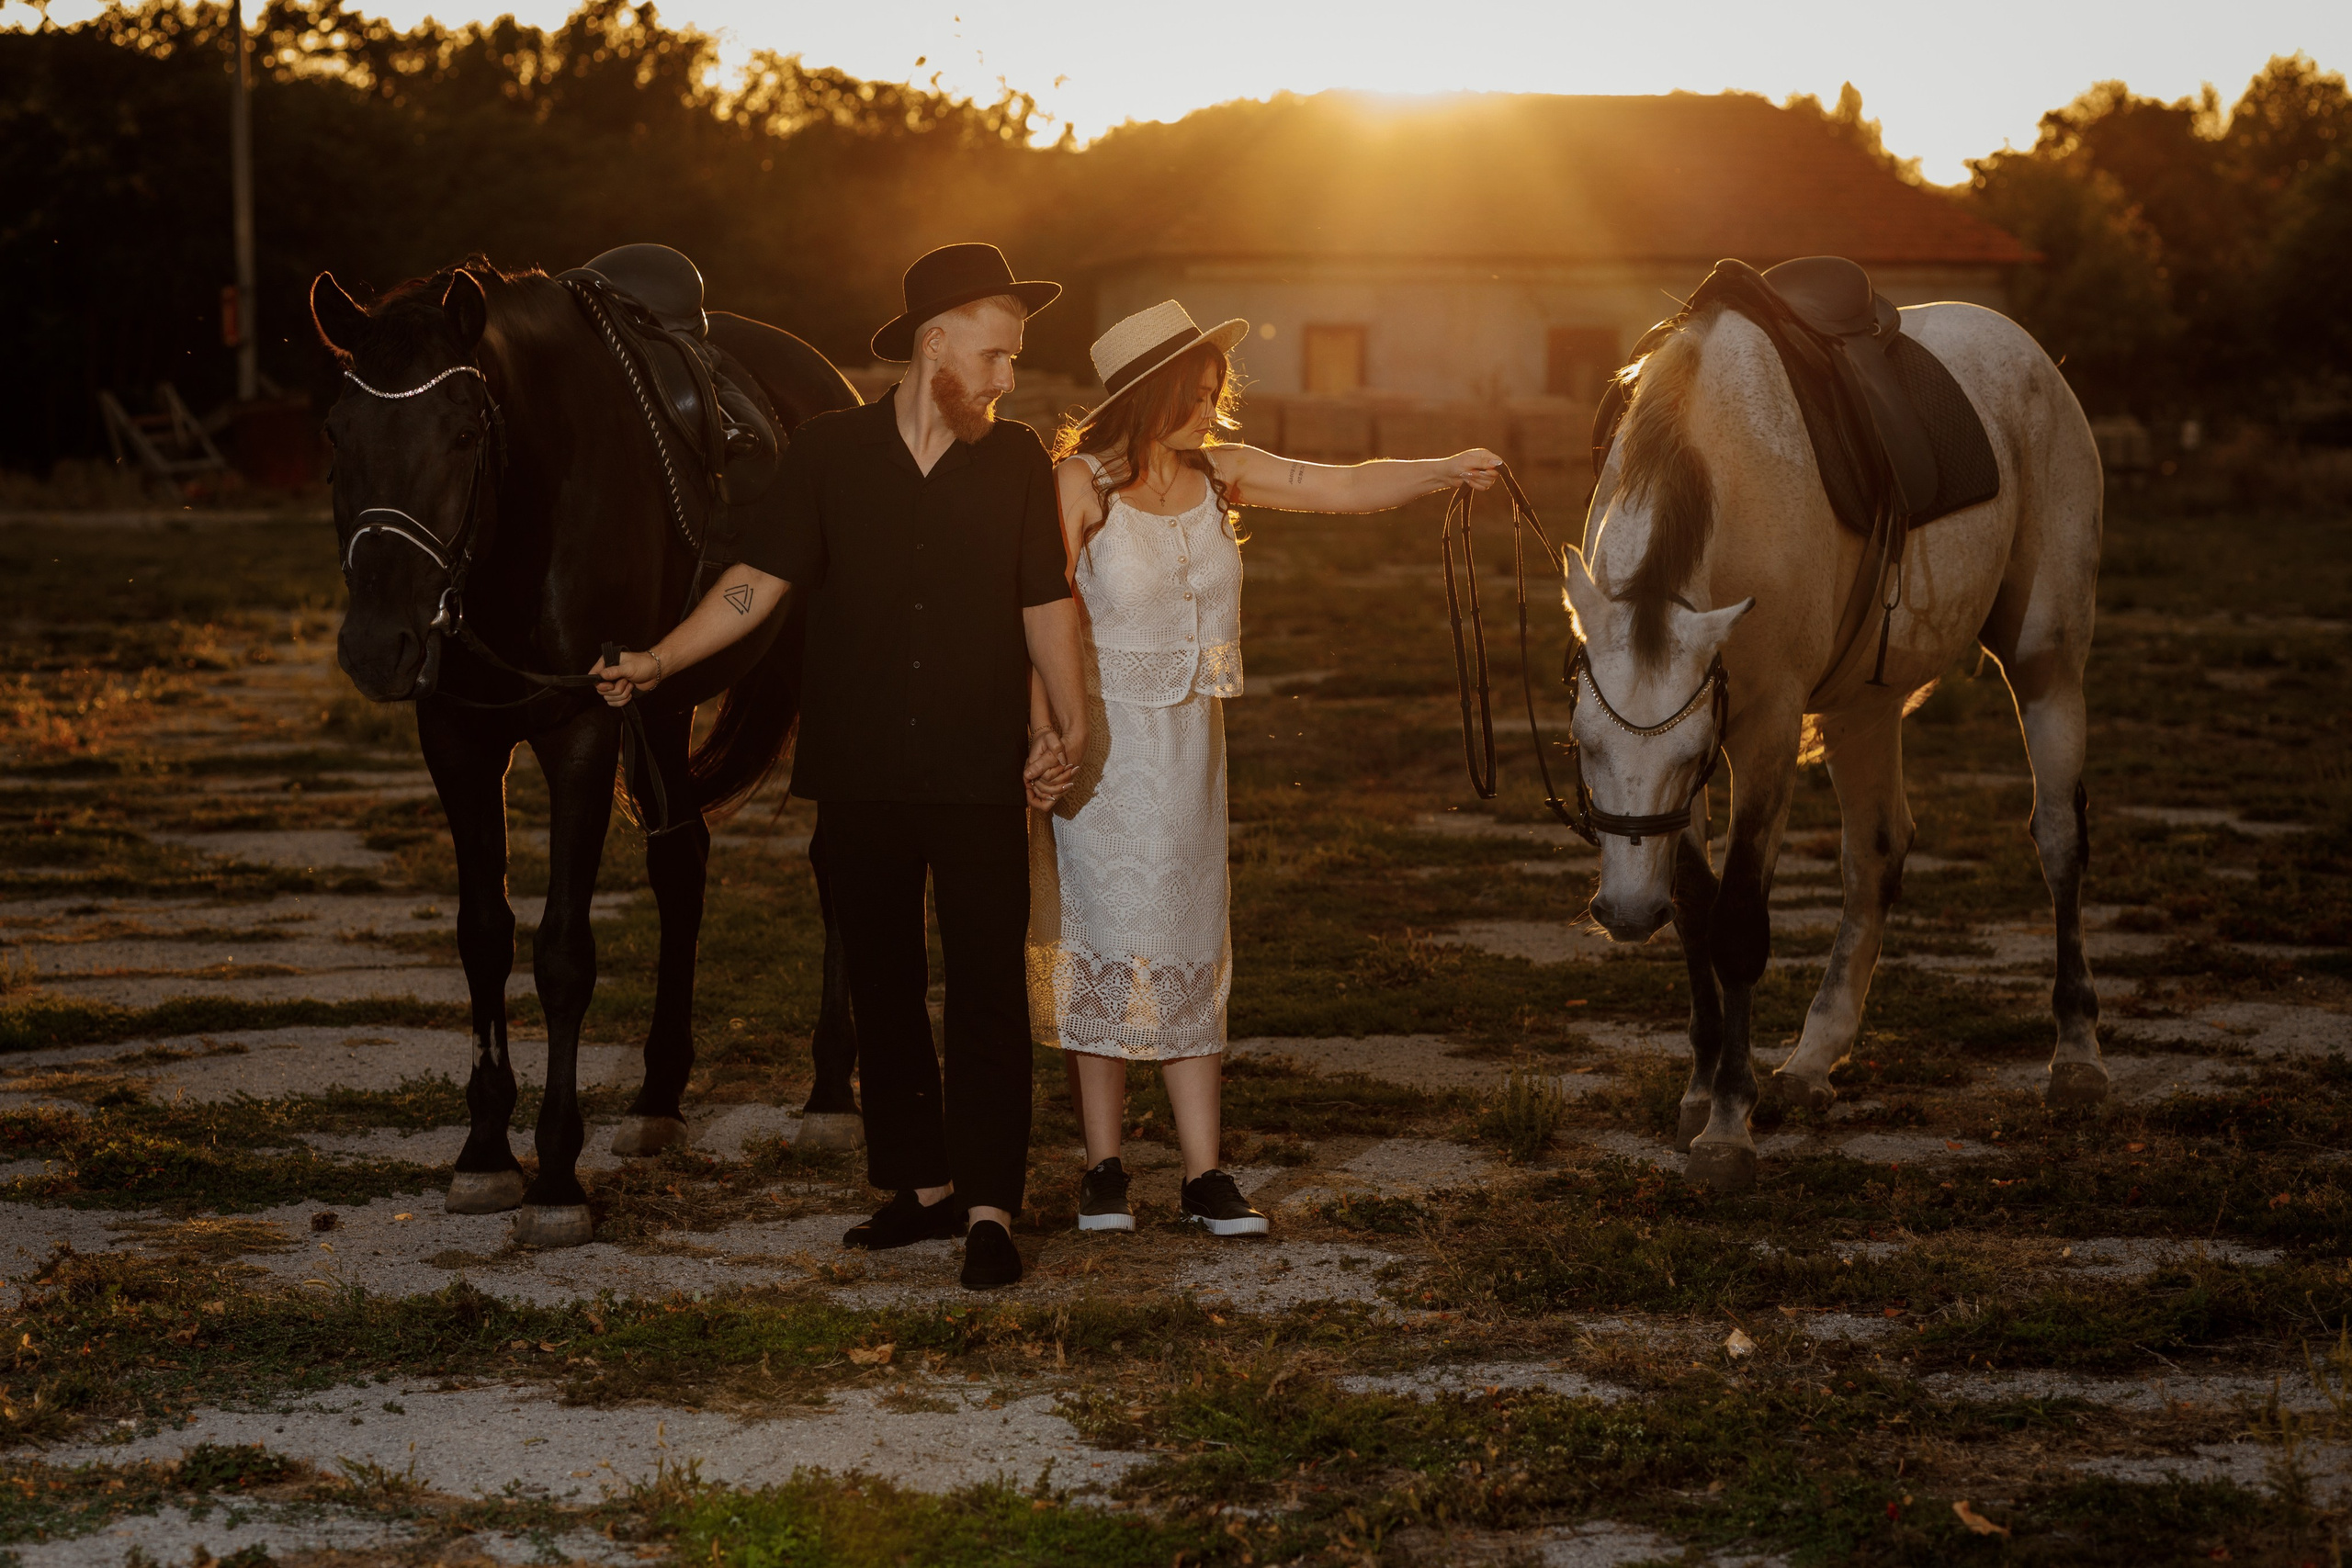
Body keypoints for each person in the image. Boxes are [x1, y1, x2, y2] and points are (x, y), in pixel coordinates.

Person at [593, 243, 1088, 1290]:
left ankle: (992, 1205)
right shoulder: (826, 454)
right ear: (935, 342)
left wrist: (1067, 728)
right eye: (995, 356)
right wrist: (659, 657)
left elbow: (1044, 602)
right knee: (883, 984)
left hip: (974, 772)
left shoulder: (1014, 462)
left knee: (988, 987)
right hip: (857, 767)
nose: (1007, 379)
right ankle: (920, 1190)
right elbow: (755, 583)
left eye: (1012, 362)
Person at [1027, 300, 1500, 1237]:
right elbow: (1035, 615)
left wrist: (1446, 467)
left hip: (1191, 751)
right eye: (1194, 395)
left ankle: (1204, 1175)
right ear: (1147, 394)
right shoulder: (1078, 486)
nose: (1211, 409)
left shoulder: (1223, 475)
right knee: (1107, 940)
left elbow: (1343, 486)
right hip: (1102, 751)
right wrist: (1044, 733)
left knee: (1192, 938)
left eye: (1215, 392)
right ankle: (1104, 1170)